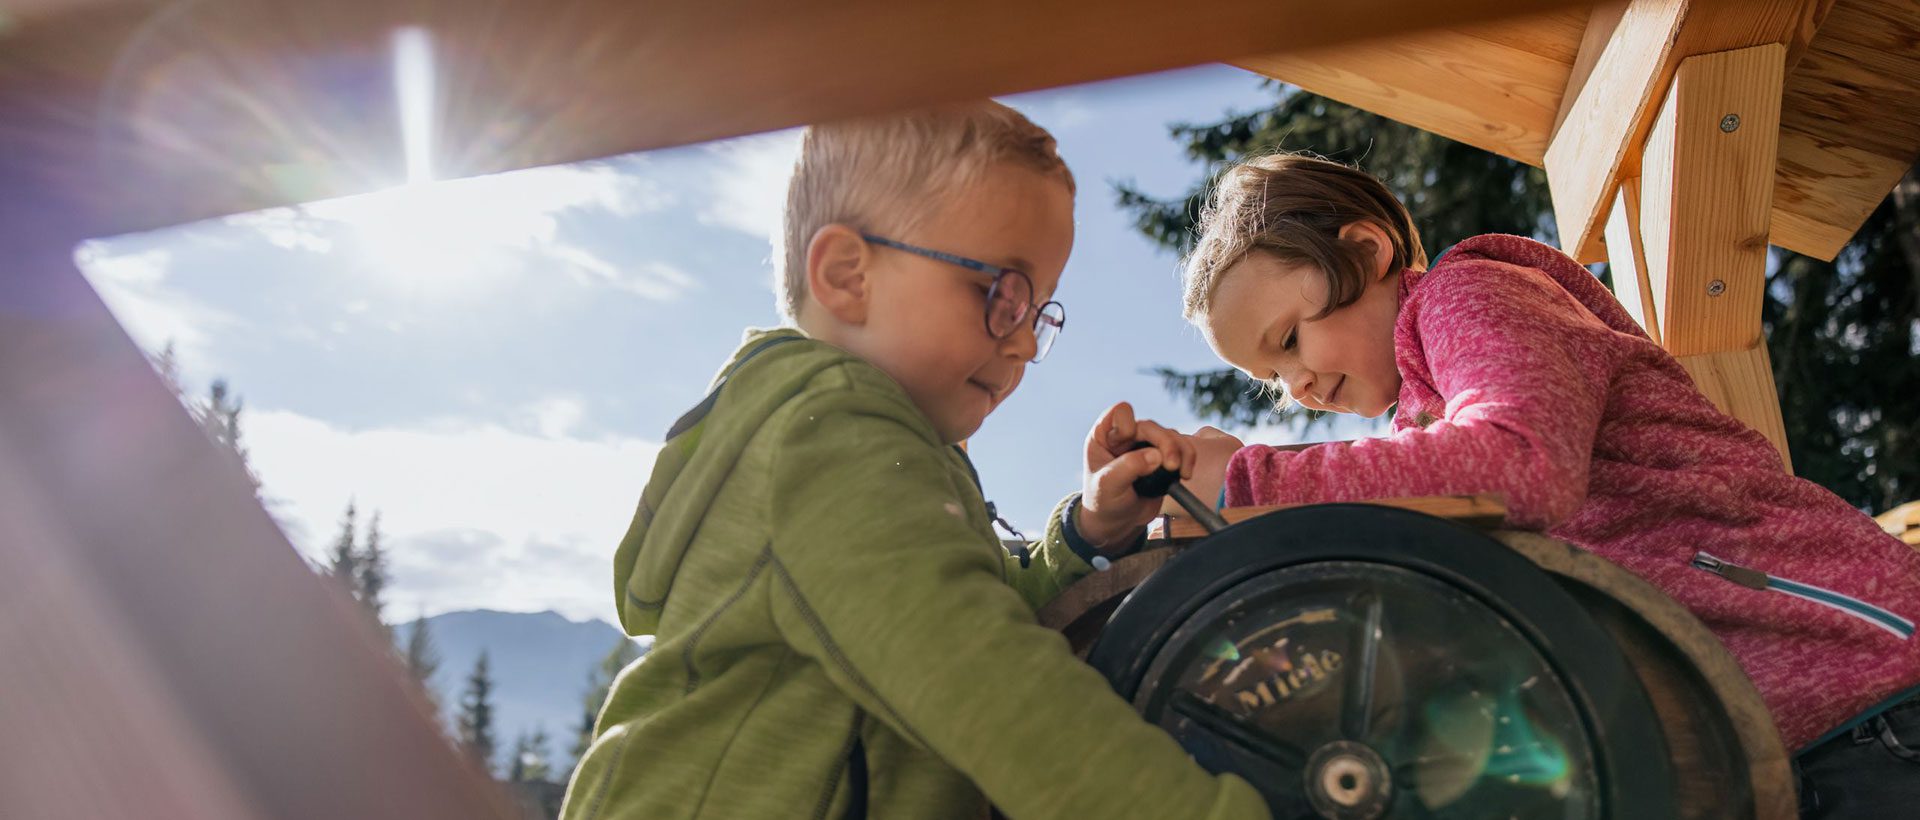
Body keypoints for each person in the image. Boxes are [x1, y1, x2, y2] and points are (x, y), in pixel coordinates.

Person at [559, 101, 1269, 820]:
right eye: (1003, 295)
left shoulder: (873, 449)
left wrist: (1088, 536)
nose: (1024, 344)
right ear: (847, 276)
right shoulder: (828, 437)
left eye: (1040, 313)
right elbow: (977, 677)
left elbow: (956, 615)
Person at [1173, 151, 1920, 816]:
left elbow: (1520, 461)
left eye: (1290, 340)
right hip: (1773, 747)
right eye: (1270, 378)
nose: (1298, 384)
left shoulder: (1469, 294)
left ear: (1366, 250)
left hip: (1869, 682)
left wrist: (1249, 480)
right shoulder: (1421, 438)